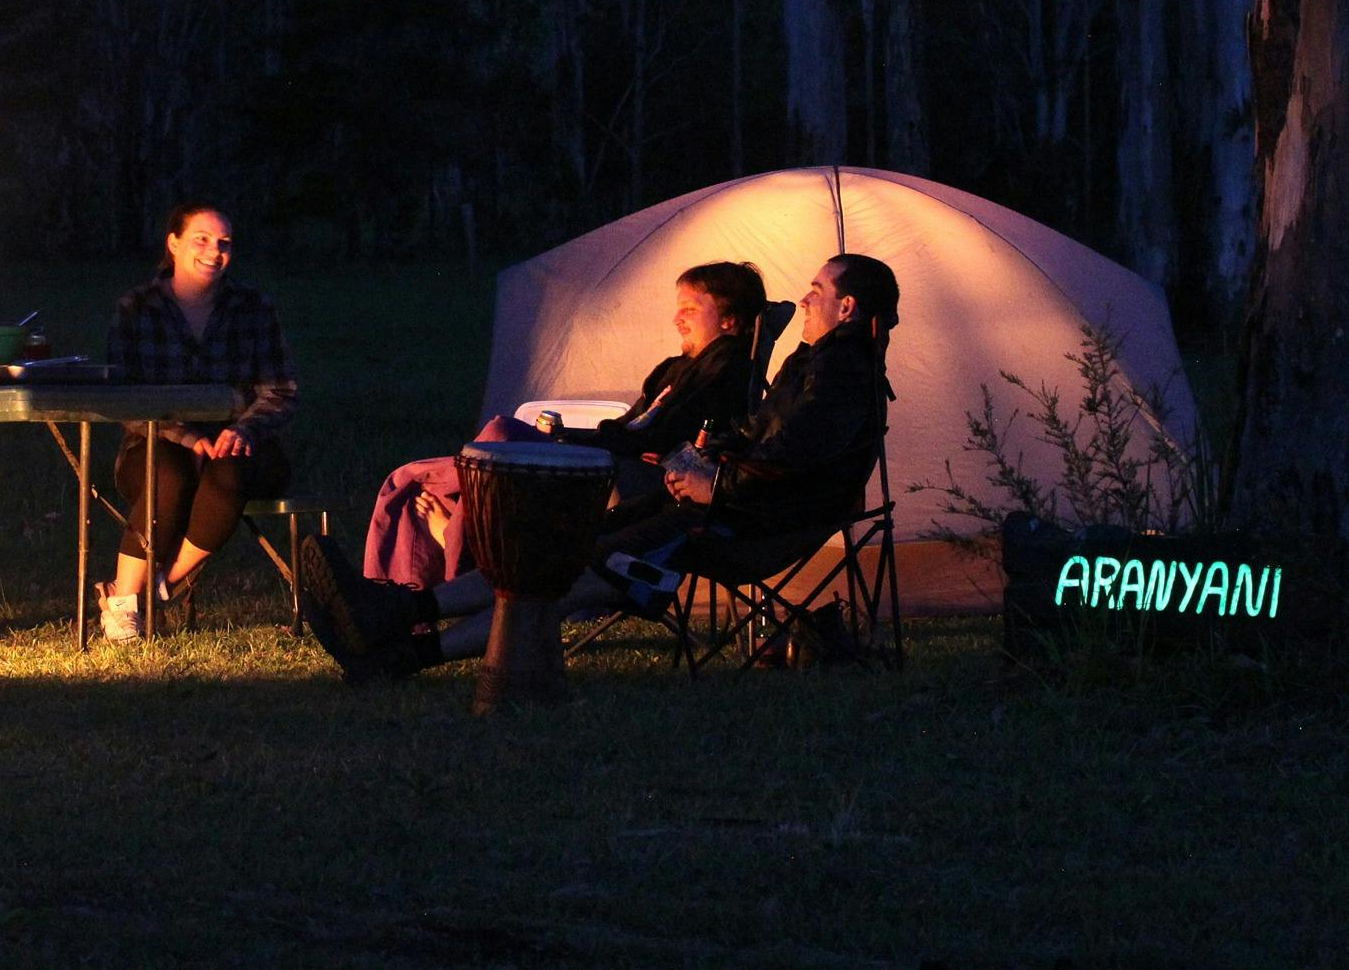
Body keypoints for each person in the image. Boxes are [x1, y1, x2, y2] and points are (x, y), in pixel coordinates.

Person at [300, 253, 897, 680]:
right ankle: (399, 623)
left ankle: (401, 637)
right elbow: (758, 437)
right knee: (565, 555)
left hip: (740, 524)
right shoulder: (816, 365)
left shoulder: (840, 374)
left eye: (817, 290)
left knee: (574, 565)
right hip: (718, 509)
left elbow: (791, 463)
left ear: (846, 306)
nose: (806, 299)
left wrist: (713, 481)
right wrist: (705, 459)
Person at [360, 261, 766, 589]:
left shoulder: (725, 369)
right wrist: (571, 436)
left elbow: (660, 438)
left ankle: (463, 551)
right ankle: (432, 569)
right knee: (423, 483)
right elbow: (630, 425)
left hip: (627, 476)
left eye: (690, 309)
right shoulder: (676, 369)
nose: (677, 318)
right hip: (604, 458)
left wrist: (577, 441)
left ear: (729, 320)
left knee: (493, 440)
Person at [97, 201, 300, 642]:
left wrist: (243, 429)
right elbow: (123, 396)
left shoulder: (252, 307)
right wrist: (185, 436)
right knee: (166, 478)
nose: (214, 251)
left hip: (241, 442)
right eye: (201, 240)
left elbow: (281, 389)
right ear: (173, 244)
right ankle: (123, 605)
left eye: (223, 243)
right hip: (157, 438)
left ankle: (156, 589)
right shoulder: (137, 308)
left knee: (228, 473)